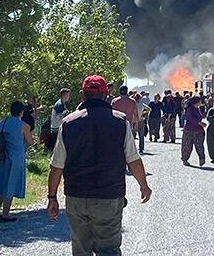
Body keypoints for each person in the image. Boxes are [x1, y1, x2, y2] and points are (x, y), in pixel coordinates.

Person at [47, 75, 152, 256]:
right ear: (106, 95)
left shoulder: (69, 123)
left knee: (81, 250)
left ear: (82, 95)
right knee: (109, 250)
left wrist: (52, 197)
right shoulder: (120, 122)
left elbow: (56, 166)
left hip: (76, 197)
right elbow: (133, 159)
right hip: (109, 197)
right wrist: (144, 185)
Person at [0, 101, 35, 222]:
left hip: (0, 157)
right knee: (10, 185)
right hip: (15, 158)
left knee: (0, 185)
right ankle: (6, 213)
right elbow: (30, 142)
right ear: (21, 112)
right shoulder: (23, 125)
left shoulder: (3, 122)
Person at [181, 97, 206, 166]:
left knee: (199, 146)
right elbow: (190, 118)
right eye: (199, 101)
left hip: (198, 130)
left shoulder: (197, 109)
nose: (200, 103)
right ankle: (185, 159)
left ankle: (202, 159)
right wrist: (199, 123)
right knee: (187, 146)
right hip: (189, 130)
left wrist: (201, 123)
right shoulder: (189, 109)